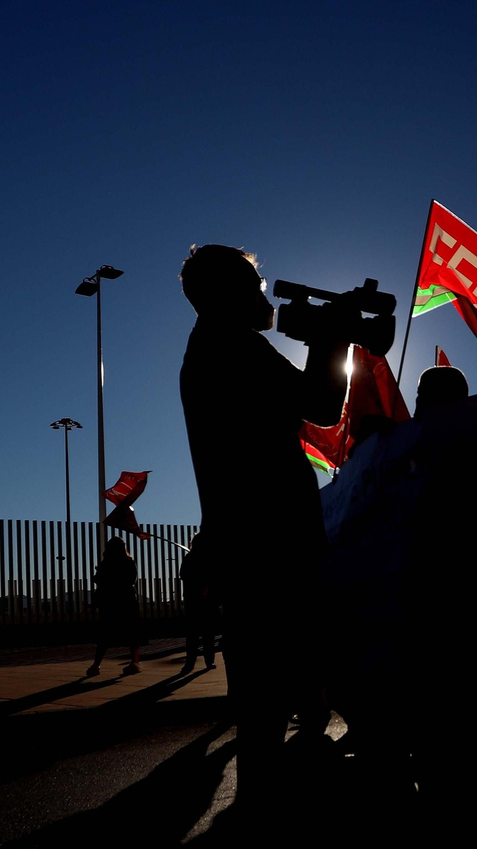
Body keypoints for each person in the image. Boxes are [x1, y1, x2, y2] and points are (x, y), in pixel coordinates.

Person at [178, 244, 349, 802]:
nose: (262, 294)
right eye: (254, 284)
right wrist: (331, 339)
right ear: (225, 293)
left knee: (265, 701)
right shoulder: (233, 347)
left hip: (251, 546)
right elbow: (322, 405)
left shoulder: (211, 349)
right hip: (271, 548)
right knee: (274, 700)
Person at [88, 536, 144, 677]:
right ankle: (135, 662)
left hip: (110, 601)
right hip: (127, 600)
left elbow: (100, 580)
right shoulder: (128, 561)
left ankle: (96, 665)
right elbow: (131, 579)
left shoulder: (105, 563)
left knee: (105, 634)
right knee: (132, 633)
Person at [178, 535, 218, 673]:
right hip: (206, 600)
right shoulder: (210, 559)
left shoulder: (189, 558)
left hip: (192, 599)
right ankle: (209, 661)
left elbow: (183, 574)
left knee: (192, 634)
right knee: (208, 633)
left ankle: (190, 663)